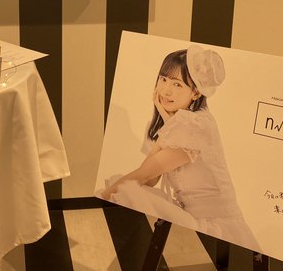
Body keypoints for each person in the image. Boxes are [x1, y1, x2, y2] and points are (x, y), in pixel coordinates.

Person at [100, 45, 261, 252]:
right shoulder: (176, 124)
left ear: (195, 93)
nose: (166, 90)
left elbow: (144, 174)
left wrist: (102, 199)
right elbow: (150, 180)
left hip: (217, 226)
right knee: (130, 191)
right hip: (192, 218)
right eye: (163, 79)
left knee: (125, 190)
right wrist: (165, 123)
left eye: (177, 84)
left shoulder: (196, 126)